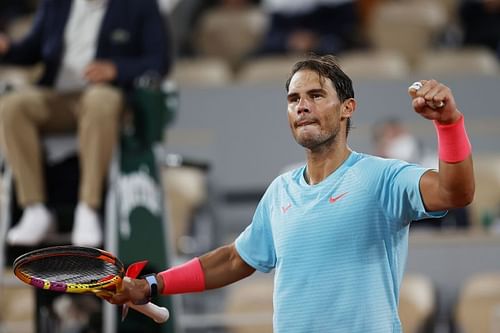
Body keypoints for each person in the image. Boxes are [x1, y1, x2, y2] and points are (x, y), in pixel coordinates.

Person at [106, 55, 474, 332]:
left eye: (316, 95)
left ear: (348, 108)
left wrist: (449, 125)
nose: (302, 105)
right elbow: (236, 259)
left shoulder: (382, 177)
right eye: (294, 98)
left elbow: (454, 192)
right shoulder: (281, 189)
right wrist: (152, 285)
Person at [0, 0, 172, 247]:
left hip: (106, 96)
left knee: (99, 99)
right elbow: (32, 50)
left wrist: (116, 68)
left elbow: (158, 61)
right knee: (12, 106)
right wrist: (8, 48)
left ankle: (88, 207)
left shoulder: (140, 5)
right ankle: (34, 206)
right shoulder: (55, 5)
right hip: (57, 95)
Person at [257, 0, 360, 56]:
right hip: (288, 35)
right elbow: (273, 30)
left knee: (332, 44)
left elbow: (346, 26)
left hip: (327, 33)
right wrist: (291, 41)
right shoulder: (279, 5)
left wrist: (314, 40)